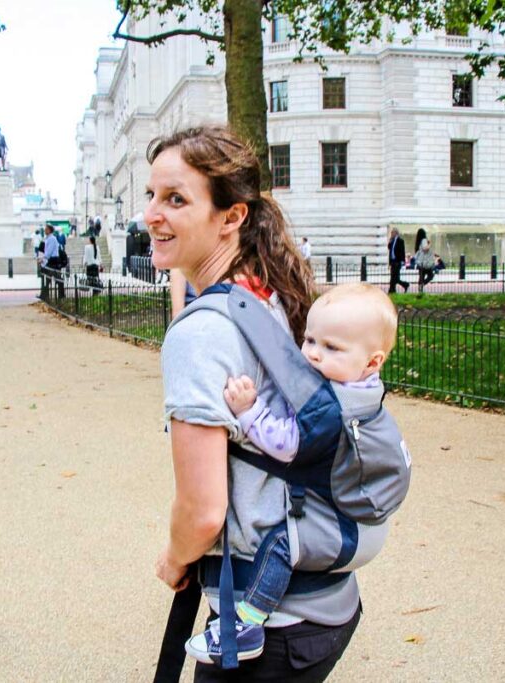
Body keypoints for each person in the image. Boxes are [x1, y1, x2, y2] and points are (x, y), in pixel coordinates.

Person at [147, 126, 361, 681]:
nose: (152, 215)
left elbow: (202, 512)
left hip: (265, 622)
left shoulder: (199, 335)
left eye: (175, 199)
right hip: (326, 598)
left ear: (232, 216)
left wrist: (174, 559)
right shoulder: (269, 294)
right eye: (150, 196)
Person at [183, 283, 398, 665]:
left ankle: (248, 623)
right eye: (310, 340)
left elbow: (285, 443)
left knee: (281, 547)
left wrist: (249, 411)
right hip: (349, 510)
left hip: (331, 524)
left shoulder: (333, 407)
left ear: (372, 361)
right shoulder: (362, 388)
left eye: (331, 348)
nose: (313, 354)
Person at [387, 228, 410, 293]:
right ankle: (403, 285)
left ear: (396, 233)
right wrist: (390, 240)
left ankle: (392, 290)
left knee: (394, 278)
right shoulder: (392, 241)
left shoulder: (400, 241)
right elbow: (389, 247)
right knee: (394, 277)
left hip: (397, 261)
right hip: (392, 261)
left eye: (392, 233)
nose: (391, 234)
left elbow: (402, 251)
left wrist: (402, 261)